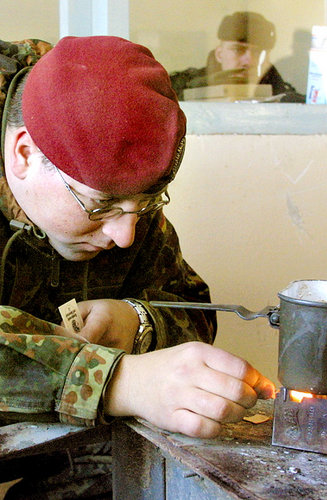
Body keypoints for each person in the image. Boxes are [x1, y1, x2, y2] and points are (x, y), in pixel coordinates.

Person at [0, 36, 275, 498]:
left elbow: (190, 306)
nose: (125, 235)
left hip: (58, 439)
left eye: (145, 205)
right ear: (25, 154)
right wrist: (119, 381)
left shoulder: (115, 180)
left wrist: (138, 320)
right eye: (101, 206)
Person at [170, 11, 305, 102]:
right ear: (219, 54)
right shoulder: (186, 86)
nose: (249, 61)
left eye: (258, 53)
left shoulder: (281, 93)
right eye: (238, 50)